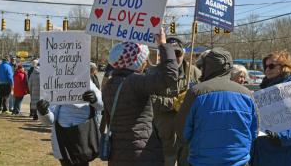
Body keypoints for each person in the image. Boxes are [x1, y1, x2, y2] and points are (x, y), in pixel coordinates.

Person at [102, 28, 179, 166]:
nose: (146, 63)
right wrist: (163, 44)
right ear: (137, 63)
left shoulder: (109, 85)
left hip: (117, 154)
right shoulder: (134, 81)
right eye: (145, 59)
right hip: (142, 154)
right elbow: (170, 77)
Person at [176, 47, 258, 166]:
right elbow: (254, 131)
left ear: (207, 66)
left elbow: (182, 133)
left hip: (202, 161)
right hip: (238, 161)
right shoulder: (247, 94)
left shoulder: (196, 92)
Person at [251, 50, 291, 166]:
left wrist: (281, 136)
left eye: (271, 66)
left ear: (285, 66)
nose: (267, 70)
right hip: (265, 155)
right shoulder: (263, 90)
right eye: (265, 66)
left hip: (290, 155)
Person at [151, 36, 201, 166]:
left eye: (177, 53)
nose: (174, 57)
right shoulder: (154, 73)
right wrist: (172, 103)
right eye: (170, 53)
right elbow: (148, 100)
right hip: (164, 132)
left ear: (183, 53)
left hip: (188, 130)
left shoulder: (194, 72)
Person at [37, 81, 103, 166]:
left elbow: (101, 106)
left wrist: (95, 100)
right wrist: (44, 112)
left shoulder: (86, 82)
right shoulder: (54, 83)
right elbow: (49, 120)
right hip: (63, 140)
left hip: (83, 138)